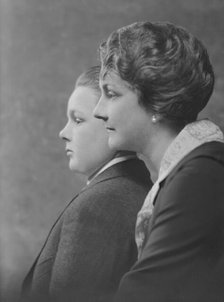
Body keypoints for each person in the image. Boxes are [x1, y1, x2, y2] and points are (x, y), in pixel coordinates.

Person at [93, 22, 224, 301]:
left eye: (112, 93)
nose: (98, 111)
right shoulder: (191, 170)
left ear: (156, 102)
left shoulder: (200, 176)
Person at [21, 66, 152, 302]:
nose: (63, 132)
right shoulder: (128, 189)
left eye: (78, 120)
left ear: (112, 122)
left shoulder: (101, 205)